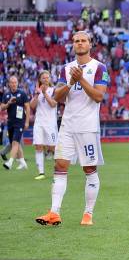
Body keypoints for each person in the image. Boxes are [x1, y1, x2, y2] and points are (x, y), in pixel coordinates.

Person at [35, 31, 110, 226]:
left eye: (83, 40)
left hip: (87, 127)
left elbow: (99, 97)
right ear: (73, 45)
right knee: (59, 166)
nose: (79, 43)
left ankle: (88, 214)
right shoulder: (66, 69)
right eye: (76, 41)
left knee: (89, 169)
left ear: (90, 44)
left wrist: (82, 80)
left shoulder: (99, 68)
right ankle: (54, 212)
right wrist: (70, 81)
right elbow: (58, 97)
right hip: (67, 125)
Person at [30, 70, 58, 179]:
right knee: (38, 146)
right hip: (39, 123)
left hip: (50, 124)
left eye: (47, 77)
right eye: (43, 78)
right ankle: (41, 173)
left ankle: (58, 170)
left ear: (50, 79)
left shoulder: (54, 90)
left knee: (53, 147)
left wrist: (45, 93)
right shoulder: (37, 91)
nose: (46, 79)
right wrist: (37, 94)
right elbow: (32, 106)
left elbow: (52, 104)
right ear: (40, 80)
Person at [1, 76, 30, 171]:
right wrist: (9, 103)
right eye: (12, 82)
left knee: (15, 142)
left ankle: (10, 162)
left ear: (17, 83)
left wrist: (27, 122)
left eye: (15, 82)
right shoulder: (6, 95)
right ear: (9, 84)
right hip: (10, 122)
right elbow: (2, 107)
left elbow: (27, 108)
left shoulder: (22, 93)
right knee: (15, 143)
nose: (13, 84)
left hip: (20, 122)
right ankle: (23, 162)